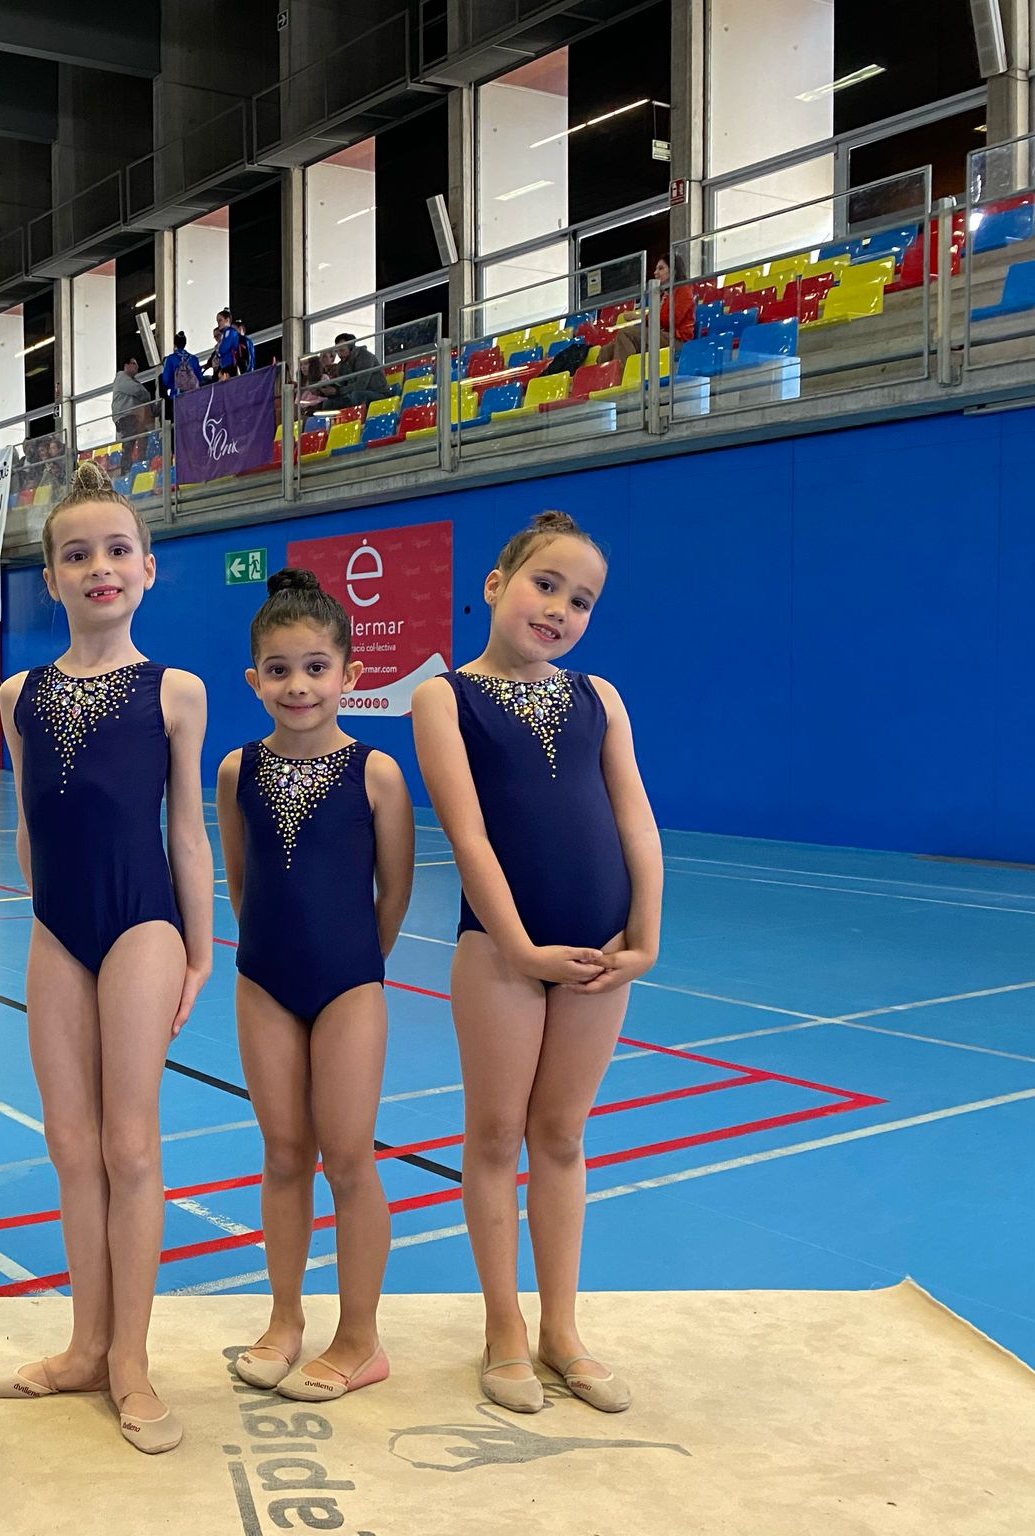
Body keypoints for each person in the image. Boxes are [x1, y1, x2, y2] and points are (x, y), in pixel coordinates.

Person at [410, 510, 661, 1416]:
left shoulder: (601, 698)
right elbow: (468, 835)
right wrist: (516, 944)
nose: (559, 609)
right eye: (544, 585)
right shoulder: (445, 698)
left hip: (599, 949)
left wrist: (645, 936)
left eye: (580, 600)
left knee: (560, 1137)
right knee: (494, 1137)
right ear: (495, 584)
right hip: (500, 950)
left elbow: (636, 819)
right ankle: (503, 1327)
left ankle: (563, 1330)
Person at [0, 460, 214, 1454]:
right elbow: (29, 826)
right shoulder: (18, 694)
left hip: (141, 926)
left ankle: (132, 1359)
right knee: (69, 1144)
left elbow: (187, 833)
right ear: (51, 580)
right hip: (57, 930)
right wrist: (43, 913)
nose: (99, 568)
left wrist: (197, 954)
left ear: (148, 568)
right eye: (76, 555)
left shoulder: (175, 692)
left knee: (129, 1145)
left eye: (117, 550)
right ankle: (85, 1344)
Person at [215, 569, 414, 1403]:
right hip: (264, 978)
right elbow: (239, 881)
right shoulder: (236, 770)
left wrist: (357, 964)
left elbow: (394, 890)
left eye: (315, 667)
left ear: (350, 674)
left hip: (348, 984)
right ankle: (285, 1319)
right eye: (279, 669)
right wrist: (277, 952)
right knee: (284, 1154)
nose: (298, 685)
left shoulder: (377, 773)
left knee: (349, 1156)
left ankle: (361, 1338)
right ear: (254, 679)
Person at [111, 356, 152, 447]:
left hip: (130, 417)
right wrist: (145, 394)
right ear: (126, 365)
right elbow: (138, 391)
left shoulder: (130, 380)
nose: (137, 366)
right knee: (132, 438)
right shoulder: (121, 378)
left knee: (141, 435)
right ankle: (130, 456)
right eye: (133, 363)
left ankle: (138, 455)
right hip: (125, 416)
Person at [160, 331, 204, 403]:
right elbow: (200, 378)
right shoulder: (194, 359)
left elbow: (165, 380)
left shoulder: (170, 359)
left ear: (174, 344)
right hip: (194, 395)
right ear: (185, 343)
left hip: (177, 396)